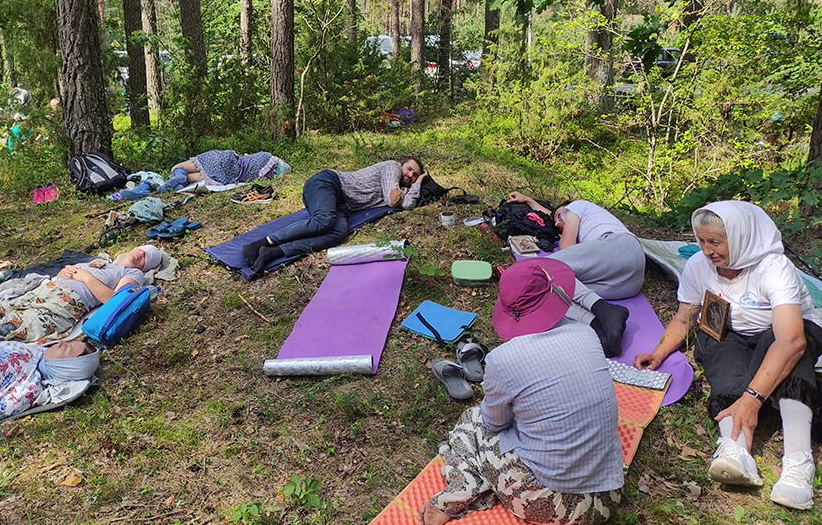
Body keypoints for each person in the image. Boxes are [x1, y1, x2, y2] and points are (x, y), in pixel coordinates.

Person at [634, 201, 820, 510]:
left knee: (792, 355)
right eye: (702, 241)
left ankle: (799, 463)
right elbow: (684, 319)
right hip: (733, 333)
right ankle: (735, 449)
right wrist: (658, 352)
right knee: (718, 350)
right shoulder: (698, 265)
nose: (707, 250)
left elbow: (791, 340)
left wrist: (753, 398)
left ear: (740, 237)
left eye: (715, 242)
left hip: (782, 334)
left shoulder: (774, 268)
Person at [419, 258, 623, 525]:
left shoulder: (503, 359)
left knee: (472, 423)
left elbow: (493, 422)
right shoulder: (585, 332)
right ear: (555, 294)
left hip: (553, 505)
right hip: (608, 491)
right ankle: (481, 486)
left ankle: (459, 492)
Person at [0, 245, 162, 351]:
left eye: (147, 257)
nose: (142, 253)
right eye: (143, 248)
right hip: (40, 293)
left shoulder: (132, 273)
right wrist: (63, 274)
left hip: (62, 304)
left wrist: (85, 277)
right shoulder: (99, 262)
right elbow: (68, 273)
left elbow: (116, 301)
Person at [506, 193, 645, 357]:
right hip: (628, 282)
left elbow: (566, 246)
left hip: (620, 247)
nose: (558, 223)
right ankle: (601, 330)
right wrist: (529, 201)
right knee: (547, 292)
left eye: (559, 217)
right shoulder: (583, 233)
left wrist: (562, 231)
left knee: (537, 269)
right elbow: (554, 216)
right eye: (556, 224)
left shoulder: (575, 207)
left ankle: (606, 310)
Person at [241, 158, 427, 273]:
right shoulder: (392, 167)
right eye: (409, 169)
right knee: (324, 221)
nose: (410, 174)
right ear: (402, 164)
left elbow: (408, 204)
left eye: (415, 174)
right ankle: (258, 244)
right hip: (328, 182)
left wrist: (418, 182)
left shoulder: (404, 186)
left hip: (342, 204)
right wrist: (412, 187)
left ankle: (274, 252)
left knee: (338, 233)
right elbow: (394, 201)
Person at [157, 150, 292, 193]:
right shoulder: (265, 176)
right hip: (228, 174)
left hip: (222, 159)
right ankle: (181, 183)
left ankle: (178, 176)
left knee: (177, 167)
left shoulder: (265, 156)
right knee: (192, 178)